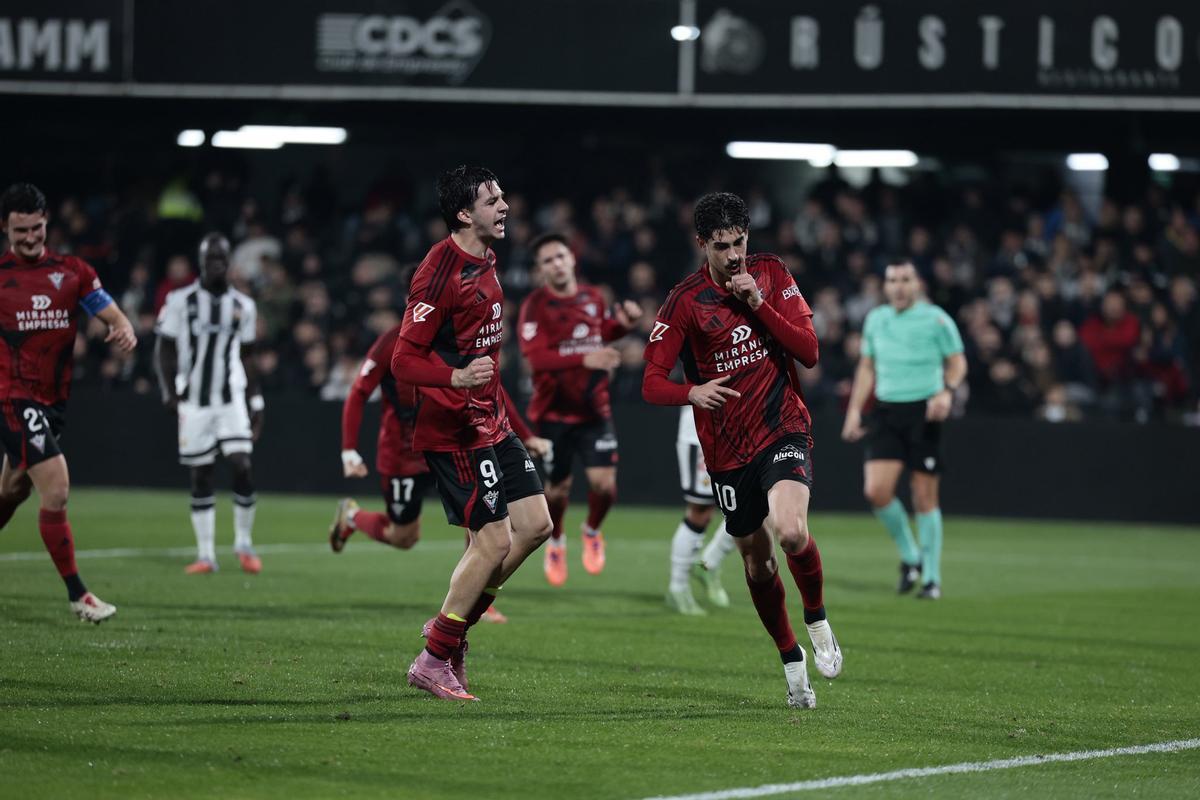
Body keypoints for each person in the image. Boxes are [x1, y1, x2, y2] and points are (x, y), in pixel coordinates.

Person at [642, 191, 842, 709]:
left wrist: (759, 303)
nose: (734, 256)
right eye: (722, 246)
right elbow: (650, 382)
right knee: (757, 565)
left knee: (792, 530)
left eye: (740, 242)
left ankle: (817, 617)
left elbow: (810, 352)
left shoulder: (772, 274)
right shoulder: (683, 303)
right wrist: (691, 392)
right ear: (702, 244)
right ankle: (790, 656)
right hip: (728, 452)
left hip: (783, 426)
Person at [391, 165, 552, 702]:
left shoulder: (487, 258)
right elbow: (403, 359)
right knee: (493, 539)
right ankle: (435, 656)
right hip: (454, 427)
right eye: (491, 200)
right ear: (464, 214)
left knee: (536, 525)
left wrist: (515, 423)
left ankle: (449, 633)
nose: (504, 206)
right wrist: (456, 377)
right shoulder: (439, 270)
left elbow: (485, 354)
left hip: (492, 419)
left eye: (503, 196)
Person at [332, 322, 545, 625]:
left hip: (453, 443)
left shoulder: (463, 339)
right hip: (404, 454)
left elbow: (492, 388)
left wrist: (525, 434)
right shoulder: (392, 343)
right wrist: (349, 450)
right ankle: (352, 516)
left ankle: (470, 601)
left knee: (483, 522)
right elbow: (359, 391)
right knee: (404, 536)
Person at [0, 182, 136, 622]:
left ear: (46, 224)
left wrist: (124, 329)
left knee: (12, 491)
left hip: (53, 402)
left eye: (36, 228)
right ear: (5, 228)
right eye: (20, 231)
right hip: (12, 397)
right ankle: (80, 595)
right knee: (56, 489)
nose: (29, 238)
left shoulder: (73, 271)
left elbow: (112, 314)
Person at [517, 232, 641, 586]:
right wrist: (585, 358)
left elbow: (599, 333)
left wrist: (623, 325)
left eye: (559, 257)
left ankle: (591, 530)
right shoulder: (534, 307)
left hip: (593, 408)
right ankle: (556, 541)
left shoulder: (592, 296)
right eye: (547, 261)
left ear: (571, 259)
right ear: (540, 270)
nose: (555, 264)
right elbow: (537, 359)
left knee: (603, 485)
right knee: (557, 490)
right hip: (552, 413)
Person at [841, 261, 967, 600]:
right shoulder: (876, 320)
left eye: (905, 280)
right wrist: (854, 410)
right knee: (875, 491)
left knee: (924, 495)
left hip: (924, 411)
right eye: (892, 280)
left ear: (917, 284)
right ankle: (911, 556)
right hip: (886, 410)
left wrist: (947, 391)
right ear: (885, 286)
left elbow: (957, 362)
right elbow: (867, 367)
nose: (898, 286)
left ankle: (932, 578)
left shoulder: (937, 319)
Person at [154, 233, 264, 575]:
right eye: (209, 261)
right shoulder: (179, 300)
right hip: (195, 401)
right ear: (201, 264)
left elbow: (247, 356)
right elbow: (165, 349)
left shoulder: (243, 305)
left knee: (241, 463)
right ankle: (206, 555)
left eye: (221, 260)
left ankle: (243, 544)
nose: (215, 266)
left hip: (230, 397)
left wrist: (256, 399)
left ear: (228, 264)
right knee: (200, 473)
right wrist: (168, 391)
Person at [666, 405, 738, 615]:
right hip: (703, 428)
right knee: (701, 511)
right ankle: (677, 588)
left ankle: (708, 564)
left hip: (743, 425)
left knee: (756, 507)